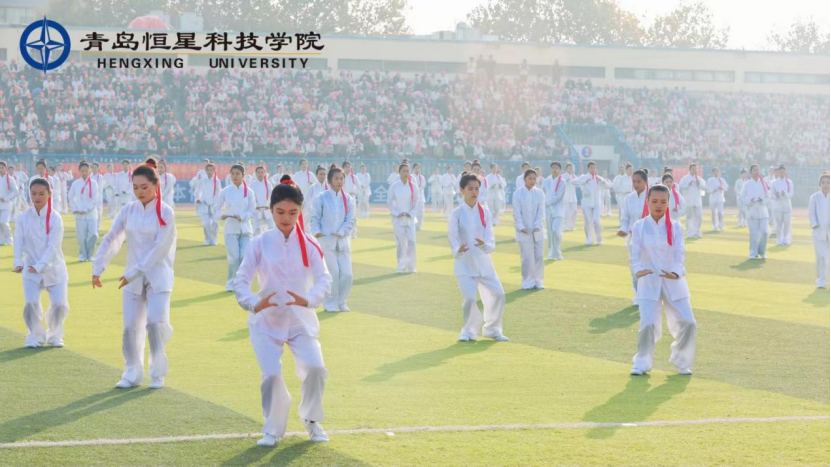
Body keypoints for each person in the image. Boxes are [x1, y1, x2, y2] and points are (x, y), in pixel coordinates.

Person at [233, 177, 332, 447]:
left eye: (293, 213)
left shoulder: (310, 244)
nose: (286, 218)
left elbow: (324, 279)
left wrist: (309, 299)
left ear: (301, 211)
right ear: (271, 209)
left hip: (301, 319)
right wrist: (253, 303)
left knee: (315, 368)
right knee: (272, 375)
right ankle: (272, 429)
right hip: (266, 320)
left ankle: (312, 420)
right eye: (280, 212)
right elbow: (240, 280)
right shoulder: (259, 243)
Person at [92, 158, 177, 389]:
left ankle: (157, 373)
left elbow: (160, 249)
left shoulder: (166, 213)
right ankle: (132, 372)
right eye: (135, 187)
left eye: (144, 187)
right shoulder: (128, 210)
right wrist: (98, 267)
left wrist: (135, 271)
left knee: (155, 324)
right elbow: (113, 238)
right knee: (130, 326)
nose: (139, 192)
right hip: (131, 279)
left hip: (158, 277)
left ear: (156, 186)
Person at [629, 184, 696, 377]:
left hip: (673, 280)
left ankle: (682, 360)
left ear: (669, 203)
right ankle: (642, 362)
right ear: (648, 202)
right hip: (648, 279)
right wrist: (638, 270)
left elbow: (679, 253)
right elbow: (634, 254)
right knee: (648, 324)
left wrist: (675, 272)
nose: (658, 205)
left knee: (688, 322)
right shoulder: (640, 226)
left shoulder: (675, 227)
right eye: (654, 201)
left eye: (663, 202)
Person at [449, 173, 508, 343]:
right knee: (469, 298)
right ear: (462, 190)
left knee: (498, 294)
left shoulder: (485, 212)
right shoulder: (457, 213)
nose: (474, 192)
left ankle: (492, 329)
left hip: (483, 262)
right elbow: (452, 236)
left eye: (476, 189)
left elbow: (490, 238)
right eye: (470, 189)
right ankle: (468, 331)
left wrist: (485, 245)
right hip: (464, 263)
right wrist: (457, 249)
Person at [12, 178, 70, 348]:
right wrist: (18, 261)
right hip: (30, 267)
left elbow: (53, 246)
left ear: (49, 194)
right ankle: (35, 335)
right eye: (33, 193)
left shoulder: (55, 218)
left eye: (41, 194)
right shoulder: (23, 217)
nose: (37, 197)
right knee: (30, 303)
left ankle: (54, 334)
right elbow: (19, 241)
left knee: (60, 304)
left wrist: (40, 266)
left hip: (54, 268)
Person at [312, 166, 356, 313]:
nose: (339, 181)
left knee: (347, 274)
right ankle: (330, 303)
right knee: (333, 273)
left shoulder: (348, 199)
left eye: (341, 178)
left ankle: (342, 301)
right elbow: (315, 217)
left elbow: (350, 219)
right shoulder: (322, 197)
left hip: (342, 241)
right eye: (336, 178)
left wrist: (342, 231)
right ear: (330, 180)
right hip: (326, 240)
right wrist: (317, 232)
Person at [216, 164, 256, 292]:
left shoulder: (249, 192)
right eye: (232, 174)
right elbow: (217, 208)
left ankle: (243, 283)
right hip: (230, 229)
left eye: (237, 174)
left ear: (243, 175)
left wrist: (243, 216)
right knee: (234, 258)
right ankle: (231, 283)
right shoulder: (225, 191)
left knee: (244, 257)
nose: (235, 176)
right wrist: (222, 215)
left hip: (246, 229)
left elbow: (251, 210)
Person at [617, 169, 649, 302]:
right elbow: (625, 218)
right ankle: (638, 294)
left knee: (649, 267)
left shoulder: (653, 197)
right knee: (634, 267)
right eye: (634, 181)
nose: (635, 184)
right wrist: (623, 229)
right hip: (633, 238)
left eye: (639, 181)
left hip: (650, 238)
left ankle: (650, 294)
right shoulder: (629, 198)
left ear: (646, 182)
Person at [513, 169, 545, 290]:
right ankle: (527, 281)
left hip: (538, 230)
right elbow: (516, 212)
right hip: (524, 231)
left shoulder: (540, 193)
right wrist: (521, 227)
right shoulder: (518, 193)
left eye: (534, 178)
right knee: (527, 257)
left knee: (539, 256)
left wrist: (538, 226)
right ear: (524, 179)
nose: (532, 181)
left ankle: (538, 281)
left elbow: (541, 212)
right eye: (530, 178)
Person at [388, 163, 420, 274]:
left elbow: (416, 201)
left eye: (407, 171)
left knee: (411, 241)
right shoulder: (394, 186)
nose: (406, 173)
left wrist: (412, 213)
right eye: (403, 171)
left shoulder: (413, 186)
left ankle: (411, 266)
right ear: (399, 172)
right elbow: (389, 201)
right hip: (398, 218)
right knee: (401, 242)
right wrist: (397, 213)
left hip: (410, 218)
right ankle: (401, 265)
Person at [571, 161, 613, 246]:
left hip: (597, 203)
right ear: (588, 168)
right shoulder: (584, 177)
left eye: (594, 168)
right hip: (586, 202)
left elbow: (608, 186)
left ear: (596, 169)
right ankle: (589, 239)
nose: (592, 169)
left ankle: (599, 239)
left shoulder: (598, 178)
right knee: (587, 222)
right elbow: (573, 182)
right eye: (591, 168)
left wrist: (603, 182)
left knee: (596, 221)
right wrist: (584, 181)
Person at [68, 161, 100, 262]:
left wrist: (85, 209)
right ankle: (83, 255)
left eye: (86, 171)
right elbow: (70, 197)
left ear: (89, 170)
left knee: (93, 234)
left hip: (91, 213)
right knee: (81, 236)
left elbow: (95, 199)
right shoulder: (76, 183)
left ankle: (90, 254)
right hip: (79, 214)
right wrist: (75, 209)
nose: (84, 173)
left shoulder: (94, 184)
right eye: (82, 171)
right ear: (79, 171)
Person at [740, 165, 771, 260]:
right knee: (753, 234)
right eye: (754, 170)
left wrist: (763, 201)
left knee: (765, 233)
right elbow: (742, 197)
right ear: (751, 172)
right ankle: (753, 253)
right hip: (752, 212)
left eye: (758, 170)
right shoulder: (747, 184)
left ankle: (762, 251)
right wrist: (750, 201)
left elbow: (769, 197)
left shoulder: (764, 183)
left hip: (763, 212)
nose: (757, 172)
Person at [809, 174, 830, 289]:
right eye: (823, 183)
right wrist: (814, 224)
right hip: (818, 231)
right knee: (821, 257)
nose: (825, 185)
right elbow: (811, 213)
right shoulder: (814, 197)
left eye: (828, 182)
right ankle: (821, 281)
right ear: (819, 185)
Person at [543, 162, 567, 261]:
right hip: (548, 209)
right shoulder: (546, 181)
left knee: (556, 231)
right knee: (550, 231)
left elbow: (559, 196)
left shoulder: (562, 182)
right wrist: (545, 202)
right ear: (550, 169)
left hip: (558, 209)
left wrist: (549, 202)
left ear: (559, 170)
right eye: (553, 167)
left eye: (556, 168)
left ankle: (557, 251)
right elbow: (543, 192)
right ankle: (551, 252)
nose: (554, 169)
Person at [195, 163, 221, 246]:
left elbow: (218, 193)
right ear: (205, 171)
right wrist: (198, 198)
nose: (209, 172)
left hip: (214, 205)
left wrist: (215, 202)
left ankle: (214, 239)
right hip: (204, 204)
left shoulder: (217, 181)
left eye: (211, 170)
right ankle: (207, 239)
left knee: (215, 223)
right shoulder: (203, 180)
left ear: (214, 171)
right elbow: (198, 191)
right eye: (208, 170)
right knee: (206, 224)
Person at [679, 163, 705, 239]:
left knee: (699, 217)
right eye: (693, 169)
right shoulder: (685, 178)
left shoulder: (699, 179)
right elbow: (681, 187)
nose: (694, 170)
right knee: (689, 217)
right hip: (688, 200)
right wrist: (688, 184)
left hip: (697, 200)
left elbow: (704, 187)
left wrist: (699, 184)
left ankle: (697, 232)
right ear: (689, 169)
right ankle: (690, 233)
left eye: (696, 169)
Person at [771, 166, 794, 246]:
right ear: (778, 172)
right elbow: (772, 195)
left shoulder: (789, 182)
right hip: (778, 206)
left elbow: (791, 194)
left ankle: (786, 239)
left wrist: (785, 195)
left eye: (783, 172)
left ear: (785, 172)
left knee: (787, 223)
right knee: (778, 224)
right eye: (780, 172)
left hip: (787, 206)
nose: (781, 174)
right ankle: (779, 240)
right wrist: (776, 195)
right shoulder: (774, 182)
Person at [0, 161, 20, 246]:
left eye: (2, 168)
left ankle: (9, 239)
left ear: (5, 168)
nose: (0, 169)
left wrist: (5, 198)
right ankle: (1, 240)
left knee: (4, 222)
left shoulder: (10, 179)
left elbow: (15, 191)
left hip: (7, 204)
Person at [251, 166, 275, 235]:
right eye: (258, 172)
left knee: (271, 227)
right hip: (257, 209)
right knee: (256, 229)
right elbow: (251, 197)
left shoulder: (268, 184)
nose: (260, 174)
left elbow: (271, 196)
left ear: (265, 173)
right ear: (256, 173)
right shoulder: (253, 184)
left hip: (267, 208)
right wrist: (256, 206)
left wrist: (269, 205)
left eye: (262, 172)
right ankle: (256, 244)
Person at [705, 168, 728, 232]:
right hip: (712, 198)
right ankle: (714, 226)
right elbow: (707, 189)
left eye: (717, 171)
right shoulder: (710, 180)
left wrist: (722, 188)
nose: (716, 173)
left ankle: (721, 225)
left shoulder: (721, 180)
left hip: (720, 198)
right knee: (713, 213)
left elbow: (726, 187)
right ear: (713, 172)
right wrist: (713, 190)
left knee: (720, 212)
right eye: (715, 172)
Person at [562, 163, 578, 231]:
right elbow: (561, 184)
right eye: (569, 168)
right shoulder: (563, 176)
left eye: (571, 168)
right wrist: (567, 180)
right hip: (566, 197)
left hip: (573, 197)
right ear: (566, 169)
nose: (571, 169)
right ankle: (565, 226)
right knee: (566, 212)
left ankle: (572, 225)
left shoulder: (575, 176)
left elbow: (578, 185)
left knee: (574, 211)